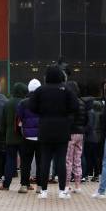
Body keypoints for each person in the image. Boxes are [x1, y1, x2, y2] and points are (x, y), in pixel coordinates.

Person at [30, 65, 79, 199]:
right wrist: (65, 113)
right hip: (62, 128)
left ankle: (44, 191)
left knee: (45, 160)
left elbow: (32, 106)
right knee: (61, 160)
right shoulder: (66, 90)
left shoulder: (40, 90)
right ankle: (62, 191)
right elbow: (75, 106)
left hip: (45, 128)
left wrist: (42, 112)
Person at [0, 83, 28, 191]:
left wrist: (4, 134)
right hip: (23, 136)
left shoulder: (7, 103)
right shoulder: (25, 103)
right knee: (25, 161)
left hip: (10, 136)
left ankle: (6, 184)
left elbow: (2, 122)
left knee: (10, 161)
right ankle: (25, 184)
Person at [17, 79, 42, 193]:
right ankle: (40, 186)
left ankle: (24, 185)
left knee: (26, 162)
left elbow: (19, 118)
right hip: (42, 136)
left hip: (27, 136)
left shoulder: (23, 103)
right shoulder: (44, 102)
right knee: (41, 162)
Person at [65, 80, 89, 193]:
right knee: (77, 160)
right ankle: (78, 186)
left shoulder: (69, 103)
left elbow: (68, 119)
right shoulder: (82, 102)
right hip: (80, 133)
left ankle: (66, 184)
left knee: (68, 160)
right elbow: (86, 119)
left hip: (71, 133)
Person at [84, 100, 104, 182]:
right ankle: (97, 174)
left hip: (90, 137)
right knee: (97, 157)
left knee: (89, 156)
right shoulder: (102, 114)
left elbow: (89, 125)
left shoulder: (91, 113)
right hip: (99, 137)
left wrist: (84, 131)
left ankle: (89, 173)